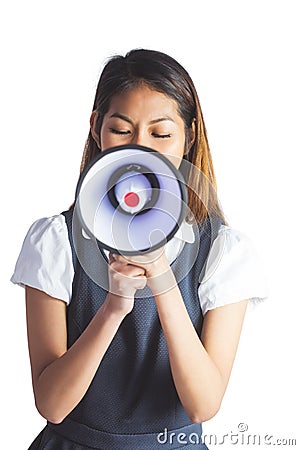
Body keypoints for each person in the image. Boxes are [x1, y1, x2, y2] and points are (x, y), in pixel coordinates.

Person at [11, 49, 267, 449]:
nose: (140, 149)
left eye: (161, 133)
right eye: (121, 129)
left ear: (189, 136)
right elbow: (52, 405)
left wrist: (162, 281)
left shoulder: (223, 251)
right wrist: (114, 307)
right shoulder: (55, 240)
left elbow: (202, 405)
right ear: (96, 128)